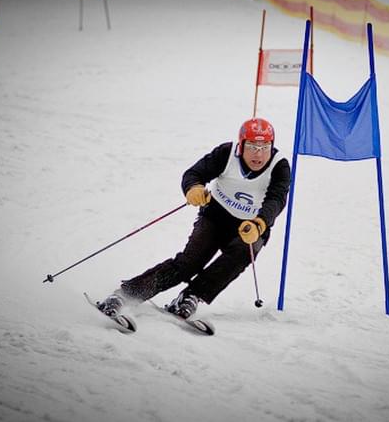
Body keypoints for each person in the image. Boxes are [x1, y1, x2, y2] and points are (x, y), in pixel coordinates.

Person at [97, 118, 291, 320]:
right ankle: (126, 295)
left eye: (264, 147)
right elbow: (194, 173)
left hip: (250, 225)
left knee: (242, 253)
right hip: (216, 216)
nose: (258, 154)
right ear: (241, 145)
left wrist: (259, 223)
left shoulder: (280, 166)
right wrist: (193, 188)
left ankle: (191, 296)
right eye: (251, 146)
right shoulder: (226, 153)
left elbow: (276, 199)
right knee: (189, 263)